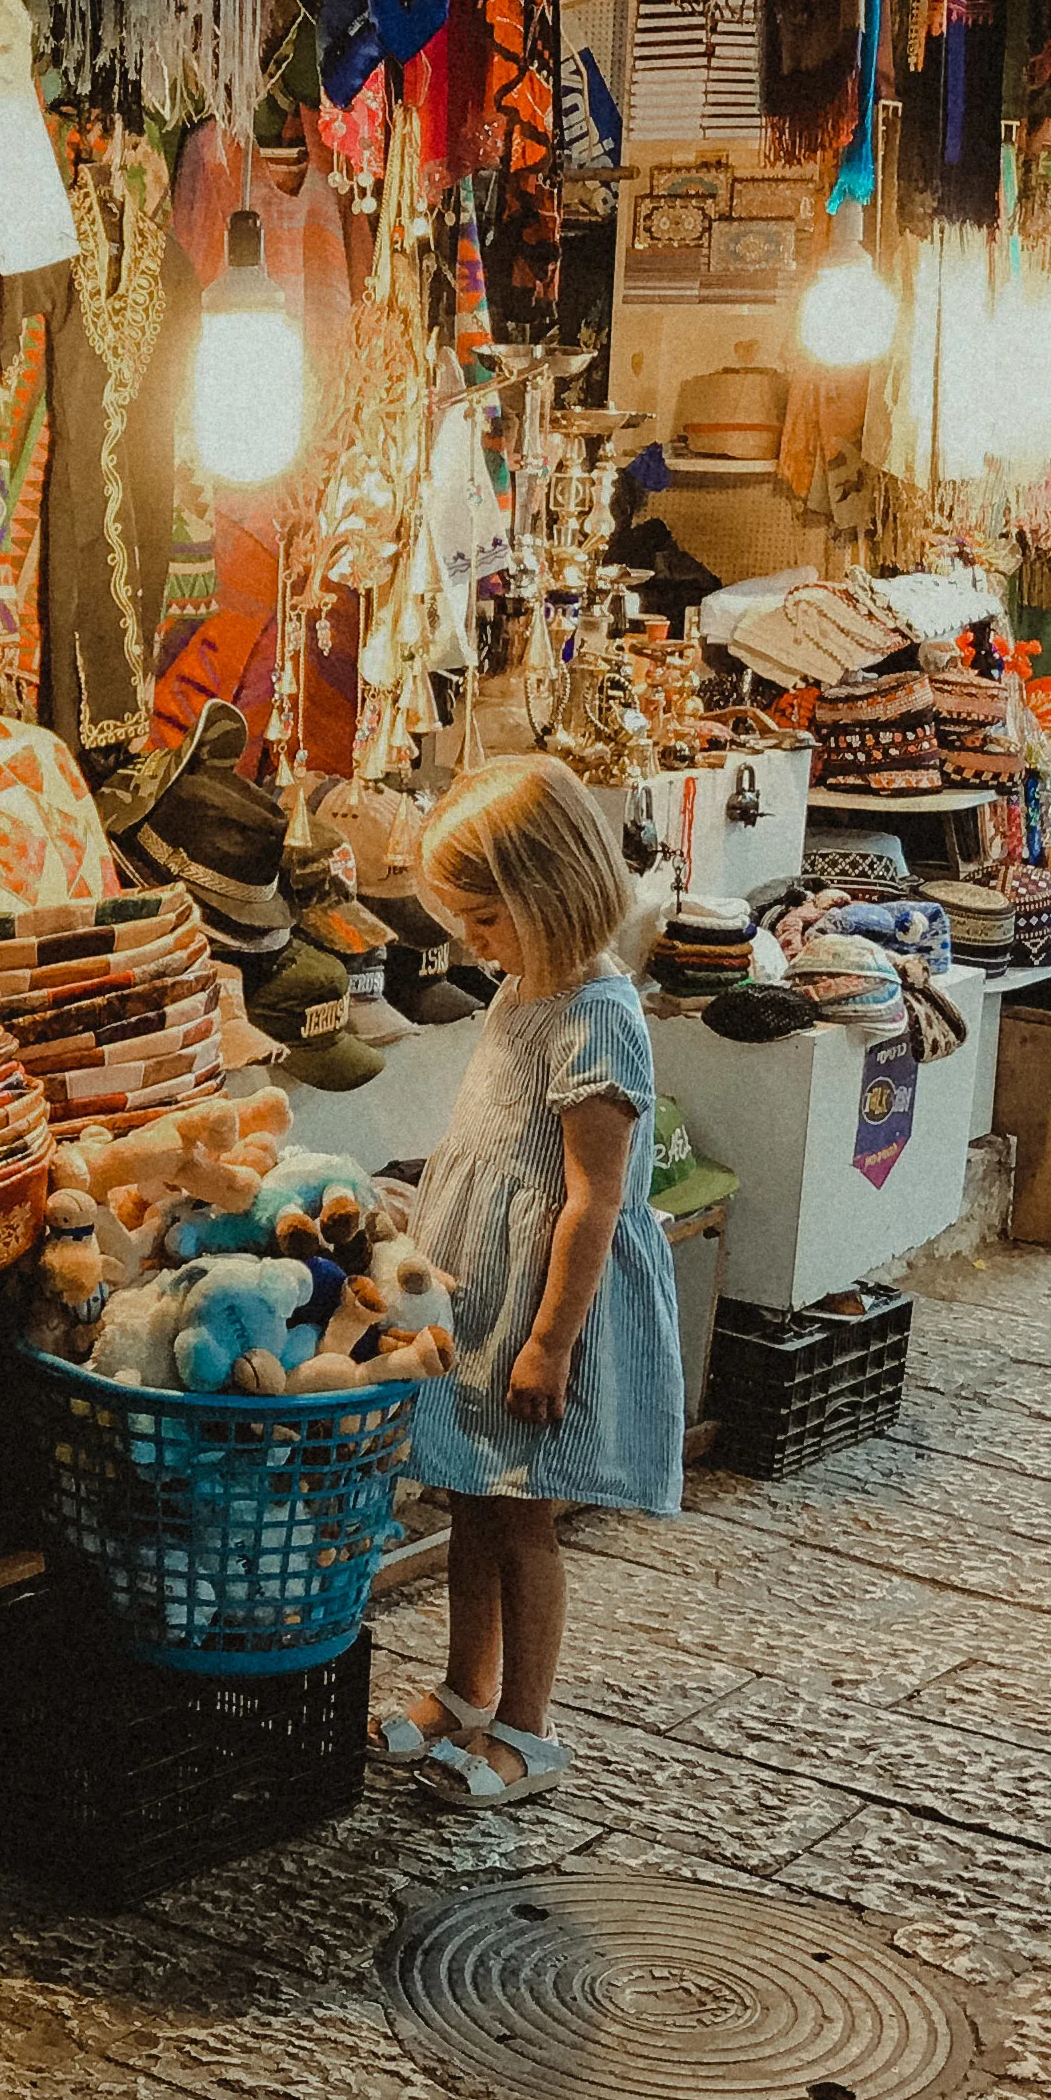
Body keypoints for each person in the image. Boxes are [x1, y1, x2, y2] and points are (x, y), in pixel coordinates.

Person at [373, 753, 683, 1808]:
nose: (472, 942)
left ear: (546, 894)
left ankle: (528, 1724)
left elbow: (592, 1199)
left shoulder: (598, 1016)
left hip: (539, 1315)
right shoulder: (523, 987)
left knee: (522, 1521)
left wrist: (548, 1340)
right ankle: (466, 1688)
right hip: (485, 1300)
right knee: (474, 1498)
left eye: (484, 919)